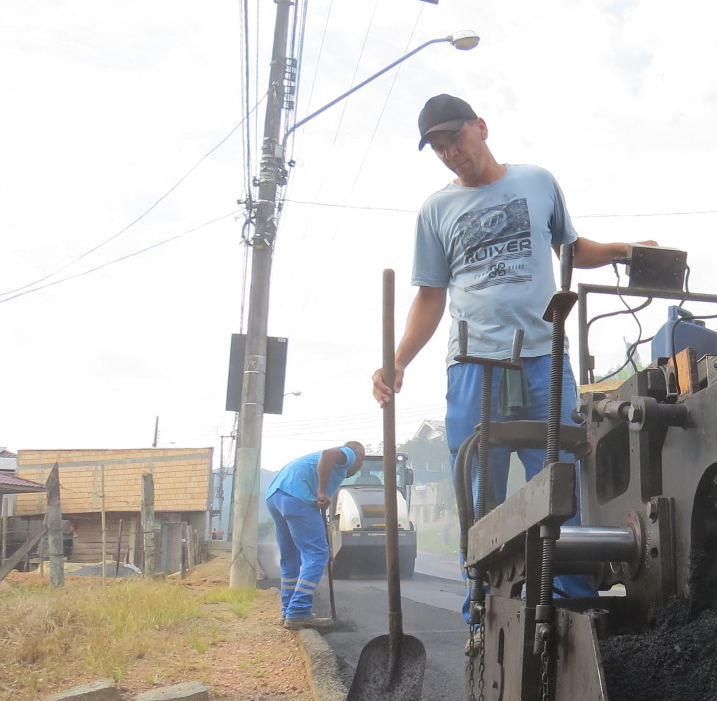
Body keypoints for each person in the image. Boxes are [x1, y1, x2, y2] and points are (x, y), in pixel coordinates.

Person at [371, 93, 645, 621]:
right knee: (481, 486)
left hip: (545, 357)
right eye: (439, 147)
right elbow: (431, 295)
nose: (450, 152)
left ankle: (569, 606)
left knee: (559, 478)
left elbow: (570, 247)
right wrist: (398, 360)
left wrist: (624, 251)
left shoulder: (537, 182)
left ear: (482, 127)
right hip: (475, 367)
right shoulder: (436, 211)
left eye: (456, 138)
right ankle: (486, 607)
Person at [265, 441, 364, 628]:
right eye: (361, 464)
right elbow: (328, 453)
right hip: (296, 496)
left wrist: (327, 545)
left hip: (276, 496)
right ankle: (299, 611)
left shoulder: (326, 471)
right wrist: (320, 492)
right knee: (317, 555)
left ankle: (287, 611)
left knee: (290, 557)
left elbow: (318, 515)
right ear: (360, 457)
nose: (358, 470)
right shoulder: (349, 454)